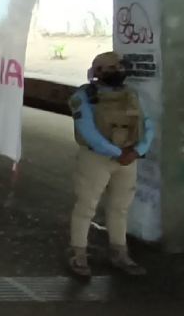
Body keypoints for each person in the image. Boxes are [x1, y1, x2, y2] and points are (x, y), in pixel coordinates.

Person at [66, 52, 155, 278]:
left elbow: (148, 124)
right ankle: (78, 253)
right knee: (86, 206)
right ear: (98, 72)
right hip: (97, 158)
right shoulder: (84, 97)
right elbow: (87, 130)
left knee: (120, 208)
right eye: (113, 67)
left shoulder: (132, 95)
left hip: (127, 157)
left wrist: (138, 150)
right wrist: (122, 153)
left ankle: (119, 252)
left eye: (120, 67)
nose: (120, 71)